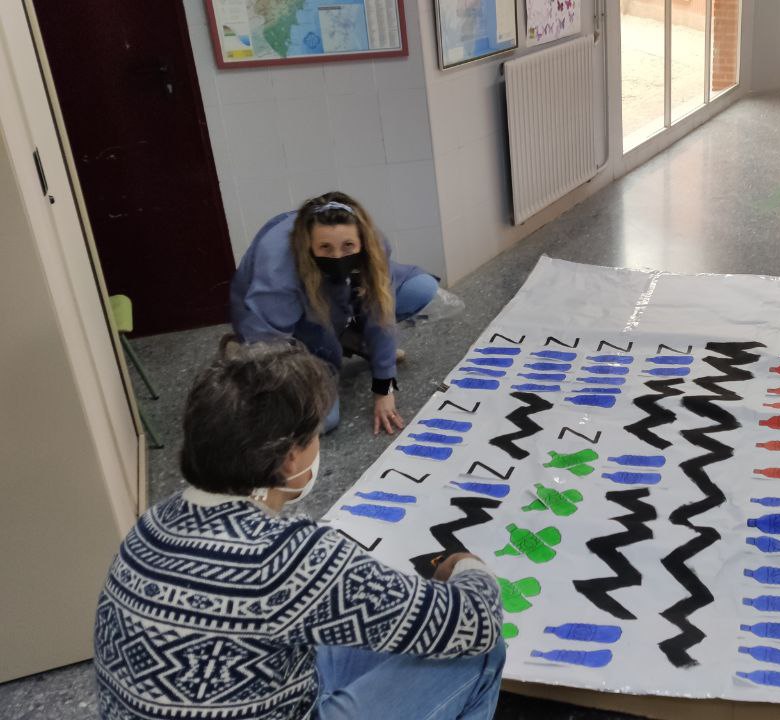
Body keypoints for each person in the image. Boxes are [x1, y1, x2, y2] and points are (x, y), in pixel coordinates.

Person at [93, 344, 505, 720]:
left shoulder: (151, 524)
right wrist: (465, 566)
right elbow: (476, 622)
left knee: (345, 632)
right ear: (290, 457)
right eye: (314, 437)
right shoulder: (285, 557)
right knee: (479, 651)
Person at [229, 191, 461, 435]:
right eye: (325, 247)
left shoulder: (375, 244)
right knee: (320, 421)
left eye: (348, 246)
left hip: (334, 297)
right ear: (308, 245)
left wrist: (384, 388)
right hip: (278, 321)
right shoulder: (278, 267)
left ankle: (353, 340)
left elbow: (381, 313)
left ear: (362, 241)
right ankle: (256, 354)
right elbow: (268, 340)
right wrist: (279, 382)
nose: (338, 256)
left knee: (420, 288)